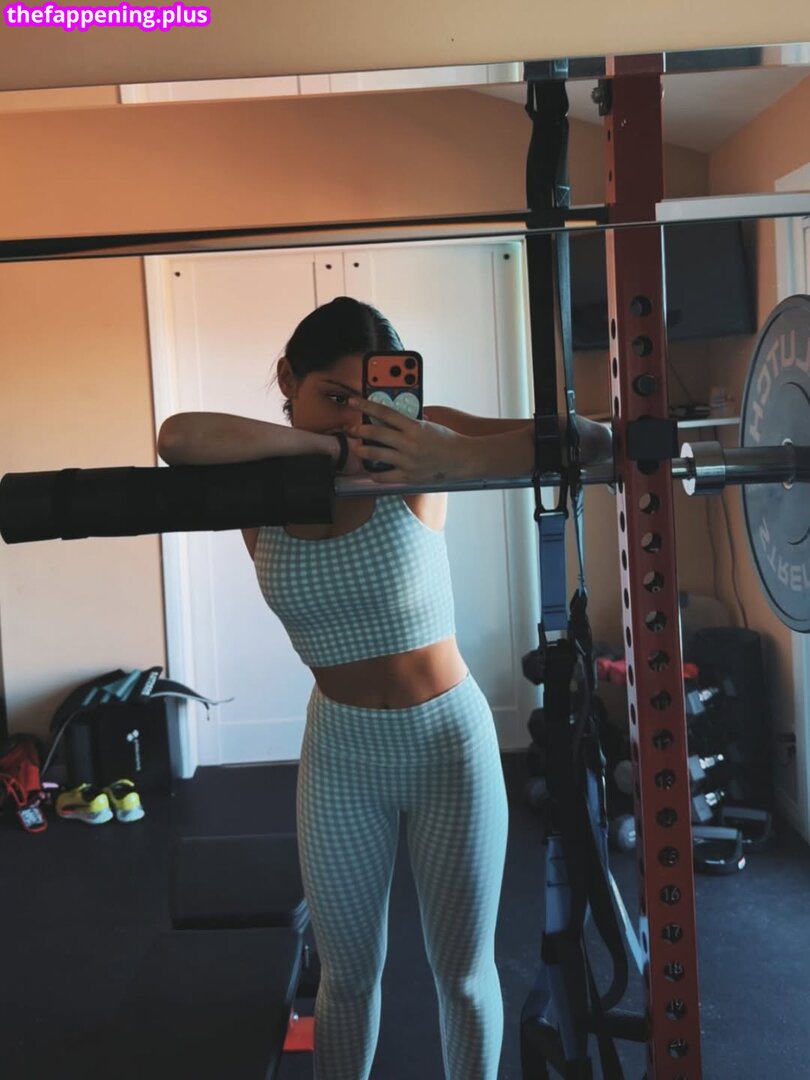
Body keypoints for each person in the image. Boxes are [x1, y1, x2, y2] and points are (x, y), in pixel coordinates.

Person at [157, 296, 612, 1080]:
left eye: (368, 403)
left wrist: (455, 459)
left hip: (448, 745)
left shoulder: (416, 442)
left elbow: (591, 441)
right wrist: (330, 450)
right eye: (334, 397)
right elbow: (177, 437)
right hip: (341, 753)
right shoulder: (256, 478)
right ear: (287, 381)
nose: (354, 420)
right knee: (345, 980)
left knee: (462, 976)